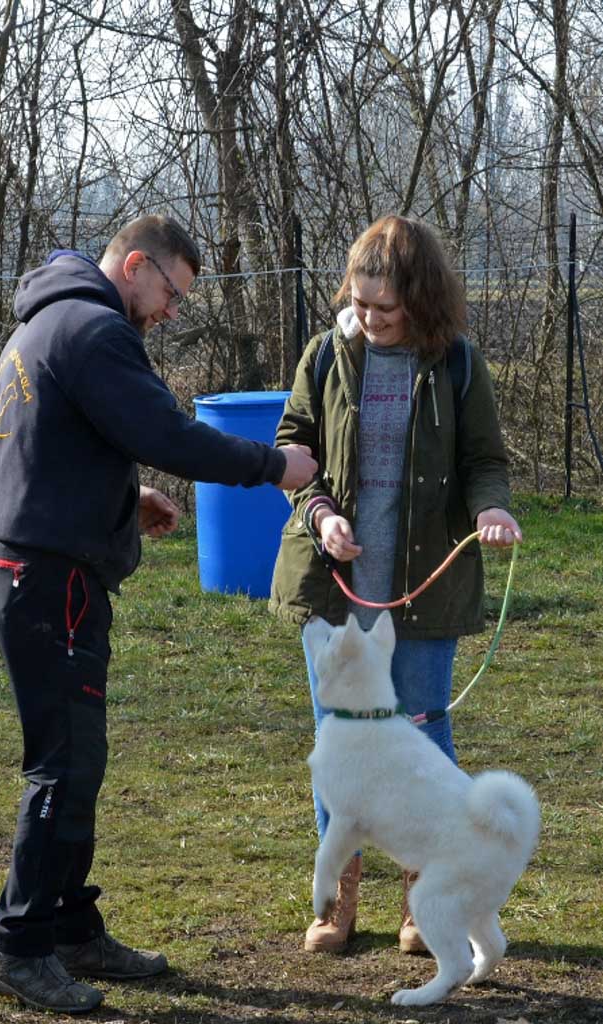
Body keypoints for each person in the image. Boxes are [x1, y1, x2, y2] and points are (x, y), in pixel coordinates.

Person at [0, 214, 317, 1014]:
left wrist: (124, 498)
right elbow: (167, 433)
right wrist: (274, 464)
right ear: (135, 265)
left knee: (79, 761)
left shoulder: (47, 322)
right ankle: (17, 947)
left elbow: (47, 445)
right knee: (62, 766)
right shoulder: (95, 330)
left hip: (35, 567)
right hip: (50, 576)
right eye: (172, 291)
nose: (171, 311)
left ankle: (69, 928)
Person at [269, 214, 522, 955]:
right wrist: (320, 515)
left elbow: (485, 460)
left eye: (386, 306)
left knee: (422, 736)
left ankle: (424, 895)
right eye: (359, 301)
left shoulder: (458, 363)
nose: (371, 317)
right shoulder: (325, 354)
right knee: (339, 742)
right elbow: (292, 447)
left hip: (425, 587)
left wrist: (491, 507)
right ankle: (334, 899)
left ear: (421, 298)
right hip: (334, 590)